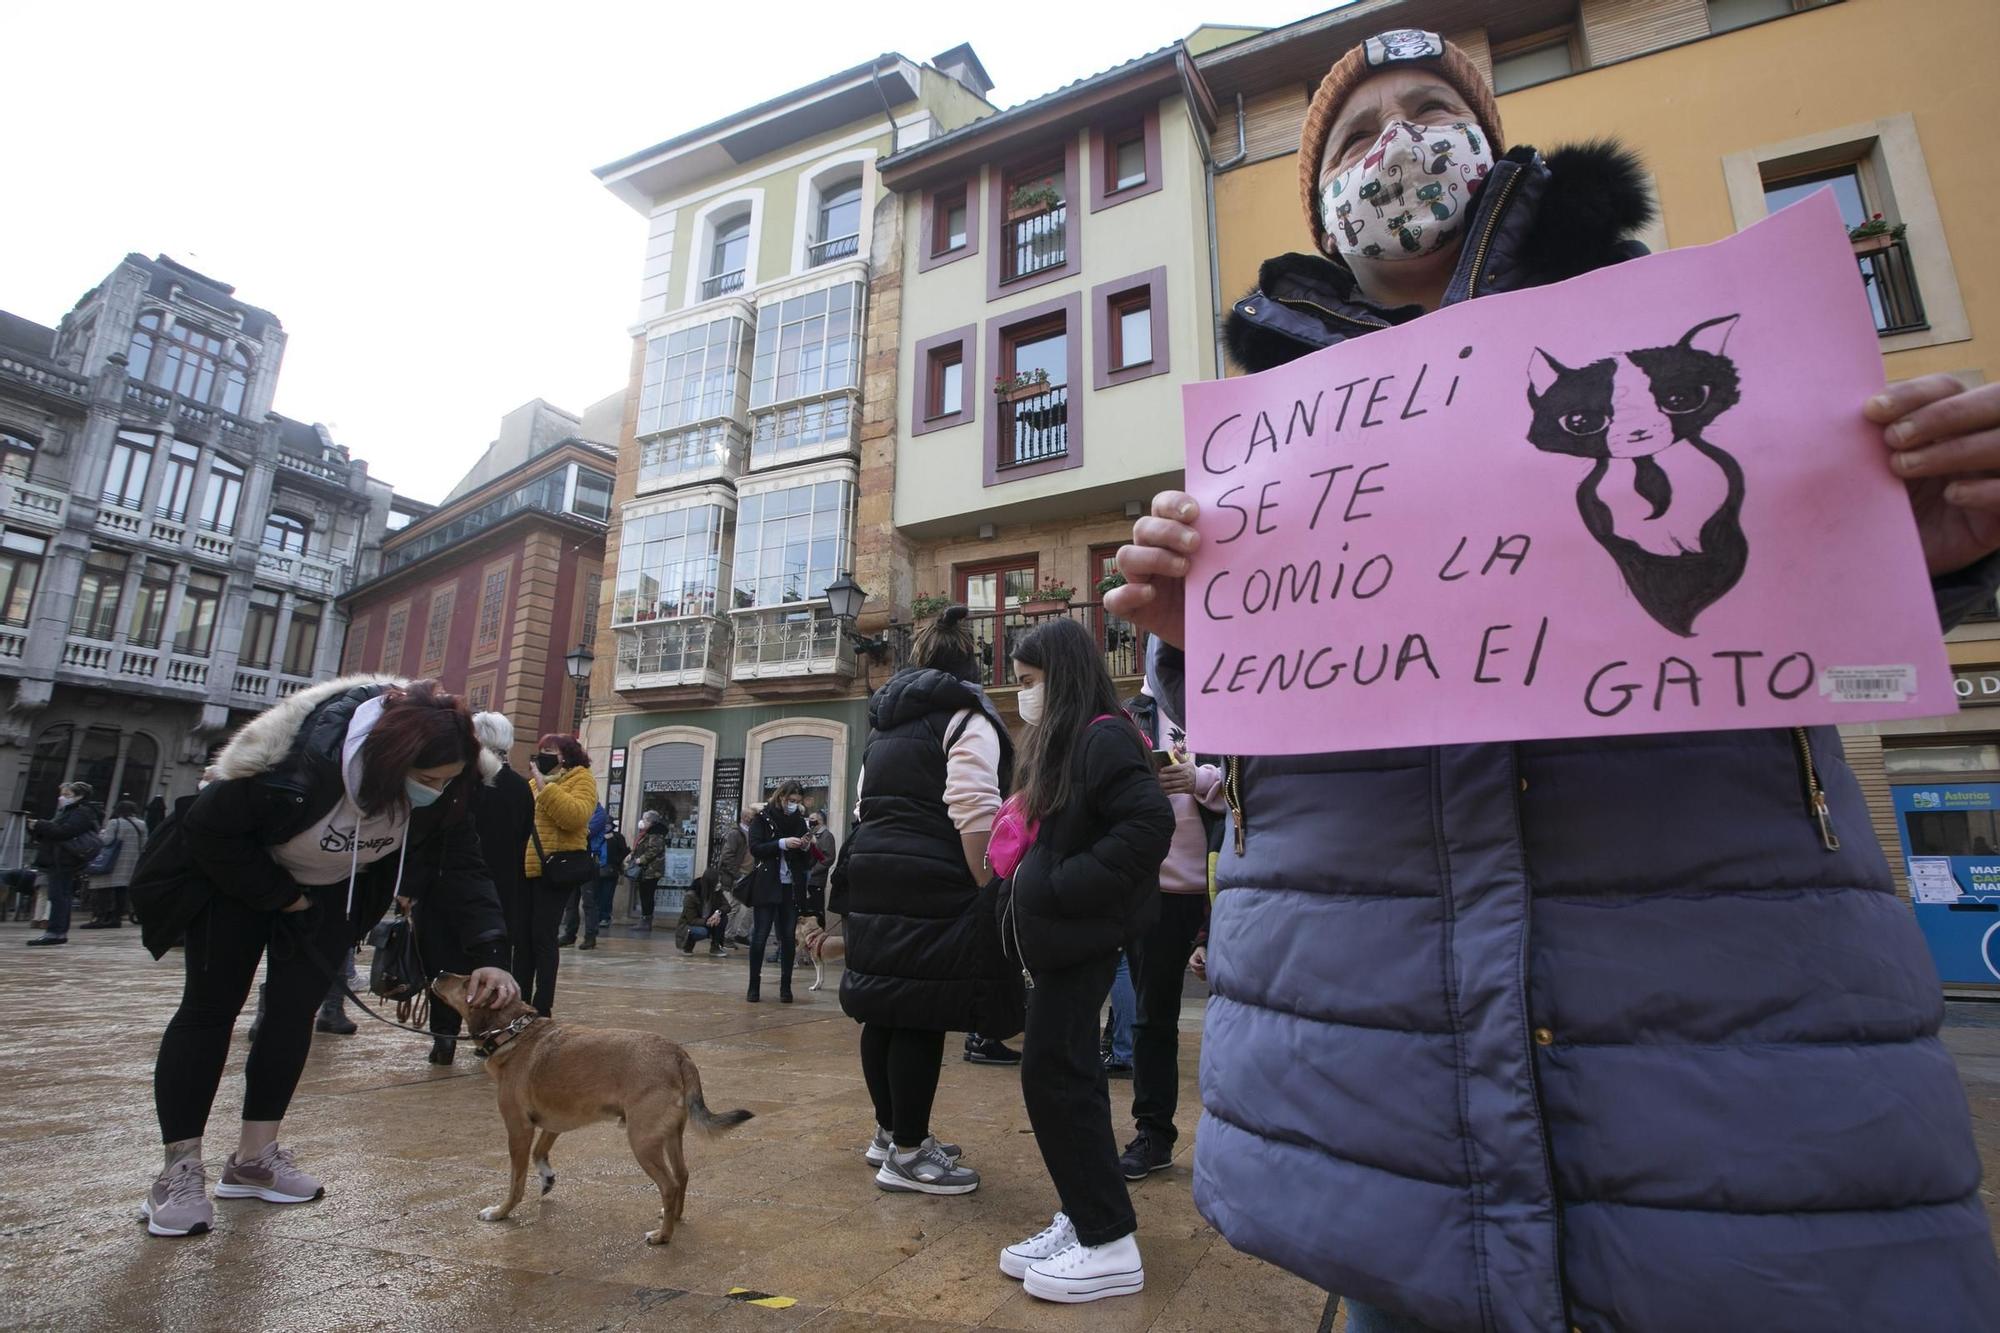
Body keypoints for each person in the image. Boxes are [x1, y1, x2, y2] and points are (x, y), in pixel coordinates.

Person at [1106, 29, 2000, 1331]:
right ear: (1322, 208)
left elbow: (1811, 600)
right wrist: (1198, 634)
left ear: (1496, 147)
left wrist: (1925, 552)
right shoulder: (1275, 466)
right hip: (1403, 1169)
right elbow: (1257, 775)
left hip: (1754, 1148)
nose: (1396, 146)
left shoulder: (1706, 356)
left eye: (1428, 110)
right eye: (1356, 137)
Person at [131, 678, 516, 1239]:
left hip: (332, 892)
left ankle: (254, 1158)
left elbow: (461, 863)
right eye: (426, 780)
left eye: (447, 780)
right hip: (233, 883)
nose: (436, 790)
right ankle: (179, 1169)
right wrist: (281, 895)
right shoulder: (296, 764)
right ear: (388, 762)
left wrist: (491, 952)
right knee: (209, 1011)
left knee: (292, 1016)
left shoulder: (451, 786)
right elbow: (208, 830)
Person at [995, 618, 1173, 1304]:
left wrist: (1065, 887)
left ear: (1061, 675)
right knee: (1065, 1074)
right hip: (1066, 942)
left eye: (1032, 679)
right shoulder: (1080, 741)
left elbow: (1147, 823)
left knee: (1055, 1074)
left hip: (1082, 937)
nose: (1024, 692)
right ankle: (1085, 1211)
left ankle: (1109, 1239)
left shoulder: (1103, 734)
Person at [833, 604, 1019, 1196]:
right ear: (973, 668)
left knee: (884, 1005)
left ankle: (890, 1134)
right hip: (930, 877)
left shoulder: (885, 723)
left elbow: (864, 806)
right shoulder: (969, 718)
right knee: (919, 1009)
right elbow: (973, 808)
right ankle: (910, 1155)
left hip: (871, 868)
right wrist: (989, 888)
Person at [1115, 676, 1224, 1179]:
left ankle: (1244, 1136)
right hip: (1150, 888)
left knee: (1241, 1014)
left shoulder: (1225, 700)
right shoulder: (1132, 714)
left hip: (1221, 888)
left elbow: (1252, 786)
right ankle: (1153, 1134)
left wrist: (1199, 781)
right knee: (1151, 1018)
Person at [462, 711, 535, 1053]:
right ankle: (492, 1036)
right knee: (497, 962)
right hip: (506, 885)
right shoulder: (521, 787)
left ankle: (442, 1038)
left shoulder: (467, 782)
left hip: (463, 880)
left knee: (453, 958)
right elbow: (523, 837)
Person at [527, 733, 597, 967]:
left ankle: (542, 1002)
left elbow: (574, 817)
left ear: (566, 755)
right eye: (542, 751)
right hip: (528, 868)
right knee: (525, 937)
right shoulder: (535, 783)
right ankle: (522, 995)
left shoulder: (582, 779)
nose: (543, 756)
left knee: (544, 937)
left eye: (550, 751)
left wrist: (543, 787)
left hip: (556, 867)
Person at [744, 781, 811, 1003]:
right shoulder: (762, 819)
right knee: (760, 936)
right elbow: (755, 848)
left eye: (798, 803)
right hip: (767, 884)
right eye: (791, 801)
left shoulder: (800, 822)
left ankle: (786, 987)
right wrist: (781, 843)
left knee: (788, 938)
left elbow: (806, 860)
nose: (794, 805)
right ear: (781, 796)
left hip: (790, 886)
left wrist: (805, 847)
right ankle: (754, 986)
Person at [24, 781, 102, 946]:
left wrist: (41, 824)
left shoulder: (82, 812)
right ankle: (57, 932)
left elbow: (64, 832)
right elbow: (54, 832)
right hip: (58, 858)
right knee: (59, 895)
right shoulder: (69, 810)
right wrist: (36, 828)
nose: (62, 798)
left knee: (59, 895)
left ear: (79, 796)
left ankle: (55, 932)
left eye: (67, 795)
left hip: (65, 859)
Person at [82, 799, 148, 929]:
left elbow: (107, 841)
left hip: (112, 861)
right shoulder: (141, 824)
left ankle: (102, 917)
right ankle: (116, 918)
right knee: (121, 890)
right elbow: (144, 844)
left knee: (104, 890)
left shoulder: (115, 822)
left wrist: (100, 834)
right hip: (131, 862)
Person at [675, 864, 733, 956]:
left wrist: (717, 913)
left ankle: (715, 947)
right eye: (717, 882)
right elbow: (692, 920)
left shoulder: (716, 892)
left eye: (720, 881)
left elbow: (727, 906)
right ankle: (687, 946)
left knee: (723, 918)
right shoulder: (691, 895)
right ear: (710, 882)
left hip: (709, 921)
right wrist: (708, 921)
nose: (719, 884)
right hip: (691, 926)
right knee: (702, 932)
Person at [802, 811, 834, 928]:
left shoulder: (826, 836)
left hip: (816, 880)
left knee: (816, 910)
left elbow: (827, 859)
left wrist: (812, 871)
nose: (809, 821)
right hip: (806, 878)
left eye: (812, 819)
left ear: (819, 821)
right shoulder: (811, 834)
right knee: (807, 911)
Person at [599, 817, 631, 930]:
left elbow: (624, 852)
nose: (606, 826)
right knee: (596, 896)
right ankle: (597, 917)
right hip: (596, 870)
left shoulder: (617, 837)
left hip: (610, 870)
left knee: (607, 895)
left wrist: (616, 863)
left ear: (612, 826)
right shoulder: (597, 835)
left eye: (608, 824)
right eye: (604, 824)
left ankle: (605, 917)